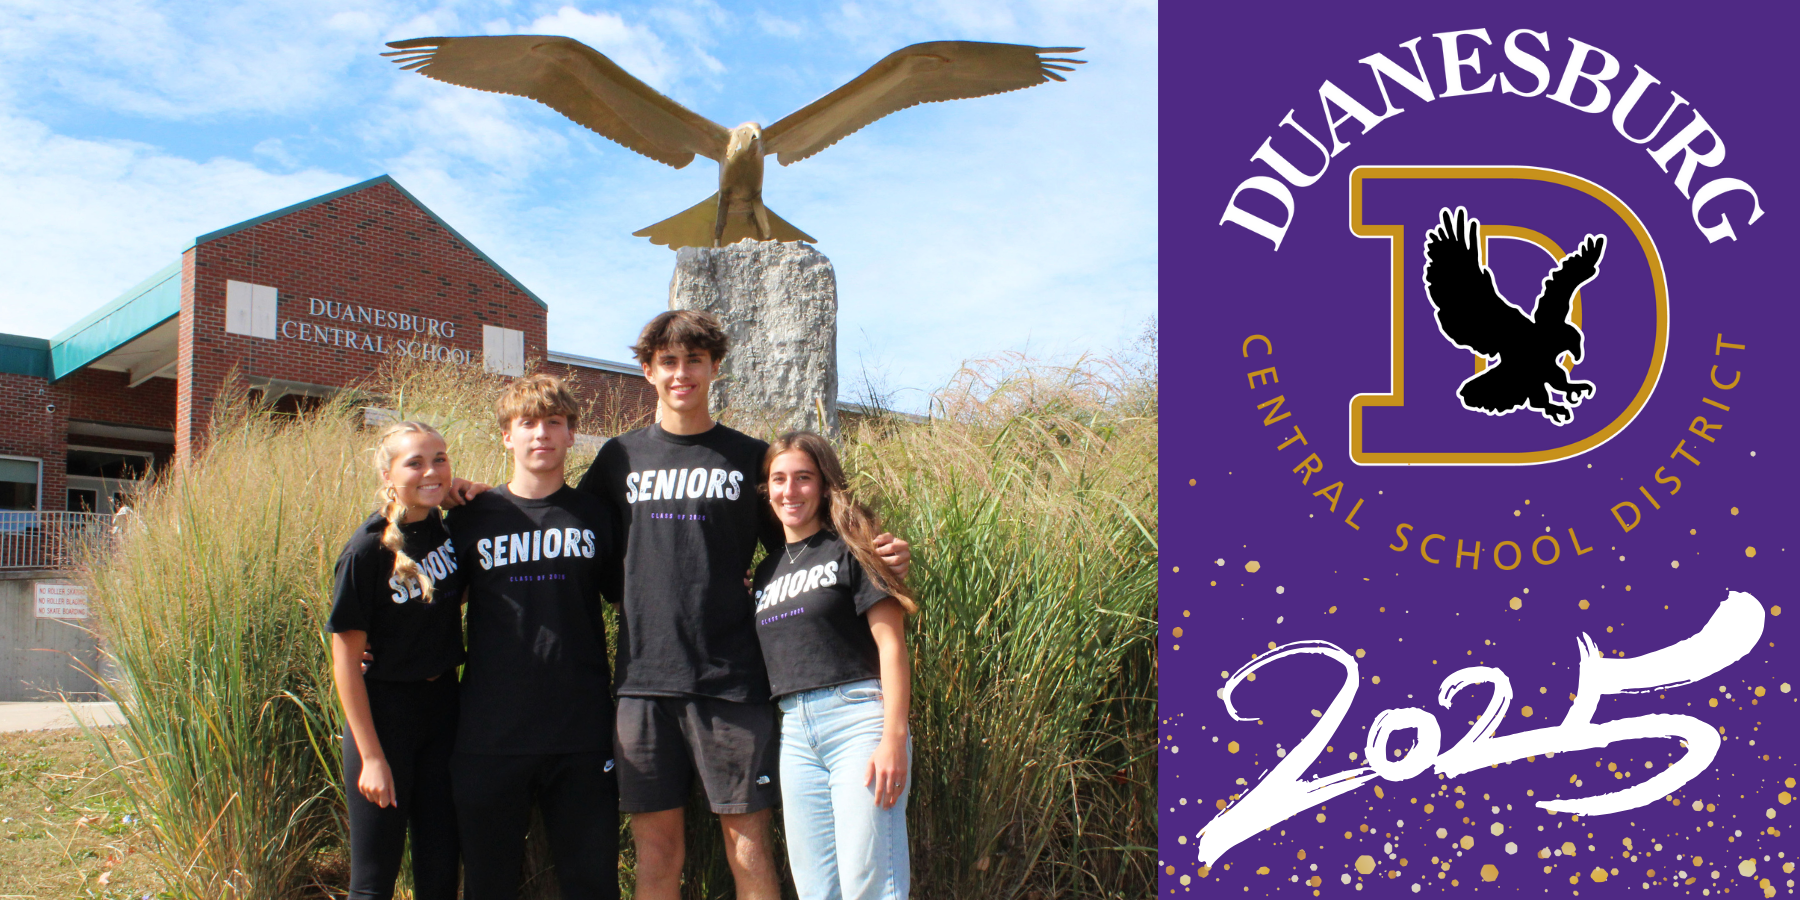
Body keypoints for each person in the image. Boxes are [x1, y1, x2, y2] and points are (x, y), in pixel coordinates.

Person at [573, 310, 910, 900]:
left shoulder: (747, 458)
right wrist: (478, 501)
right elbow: (569, 530)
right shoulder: (617, 459)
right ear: (647, 370)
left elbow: (804, 540)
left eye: (695, 361)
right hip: (642, 683)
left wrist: (878, 550)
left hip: (732, 682)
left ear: (715, 368)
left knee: (747, 845)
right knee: (657, 852)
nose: (682, 374)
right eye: (669, 362)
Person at [446, 374, 620, 900]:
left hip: (581, 728)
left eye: (554, 423)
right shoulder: (470, 517)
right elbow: (429, 606)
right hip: (490, 731)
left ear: (571, 435)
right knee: (488, 882)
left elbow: (630, 591)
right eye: (527, 424)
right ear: (507, 436)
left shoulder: (596, 514)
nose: (541, 434)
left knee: (591, 882)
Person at [752, 431, 914, 900]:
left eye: (804, 478)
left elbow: (891, 646)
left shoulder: (854, 549)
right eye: (779, 479)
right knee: (816, 890)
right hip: (795, 734)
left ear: (824, 486)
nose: (790, 490)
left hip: (858, 722)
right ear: (768, 490)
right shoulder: (765, 572)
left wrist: (893, 738)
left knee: (871, 885)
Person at [326, 421, 466, 900]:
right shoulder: (366, 549)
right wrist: (371, 757)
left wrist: (460, 491)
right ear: (388, 474)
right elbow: (345, 661)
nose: (432, 469)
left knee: (441, 866)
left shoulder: (447, 532)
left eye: (441, 458)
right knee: (373, 878)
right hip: (384, 717)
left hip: (444, 708)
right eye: (416, 462)